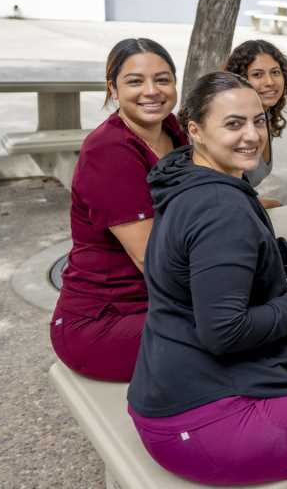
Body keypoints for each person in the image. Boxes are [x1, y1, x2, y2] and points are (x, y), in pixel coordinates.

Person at [127, 72, 287, 488]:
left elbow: (241, 251)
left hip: (166, 386)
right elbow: (225, 331)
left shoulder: (188, 177)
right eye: (233, 124)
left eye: (259, 121)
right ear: (195, 130)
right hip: (197, 421)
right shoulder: (220, 208)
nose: (252, 135)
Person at [50, 38, 187, 382]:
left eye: (163, 79)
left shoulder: (174, 130)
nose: (152, 91)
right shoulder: (109, 150)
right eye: (135, 81)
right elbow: (151, 258)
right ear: (112, 88)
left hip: (159, 302)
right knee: (244, 334)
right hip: (104, 323)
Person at [224, 39, 287, 207]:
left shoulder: (264, 114)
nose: (270, 82)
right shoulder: (232, 124)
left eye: (275, 72)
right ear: (240, 79)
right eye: (257, 74)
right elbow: (222, 194)